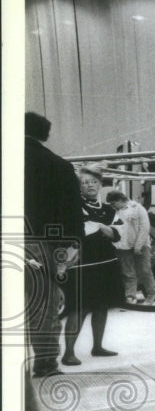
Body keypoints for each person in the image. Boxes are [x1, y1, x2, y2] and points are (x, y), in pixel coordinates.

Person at [23, 112, 85, 377]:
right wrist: (74, 244)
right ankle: (45, 363)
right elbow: (71, 211)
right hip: (41, 245)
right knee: (43, 305)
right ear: (45, 135)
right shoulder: (57, 165)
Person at [62, 168, 124, 365]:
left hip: (106, 263)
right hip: (81, 264)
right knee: (78, 308)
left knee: (102, 305)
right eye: (85, 182)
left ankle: (97, 346)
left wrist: (100, 227)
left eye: (94, 182)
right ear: (79, 186)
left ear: (100, 184)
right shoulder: (73, 205)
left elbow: (119, 234)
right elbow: (81, 231)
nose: (90, 185)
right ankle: (69, 353)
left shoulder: (109, 209)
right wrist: (104, 229)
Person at [107, 190, 155, 305]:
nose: (112, 206)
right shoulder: (114, 212)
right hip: (122, 246)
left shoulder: (137, 208)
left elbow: (144, 228)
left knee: (144, 270)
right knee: (127, 272)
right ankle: (130, 297)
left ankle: (150, 294)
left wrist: (138, 245)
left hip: (140, 245)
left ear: (120, 200)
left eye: (113, 203)